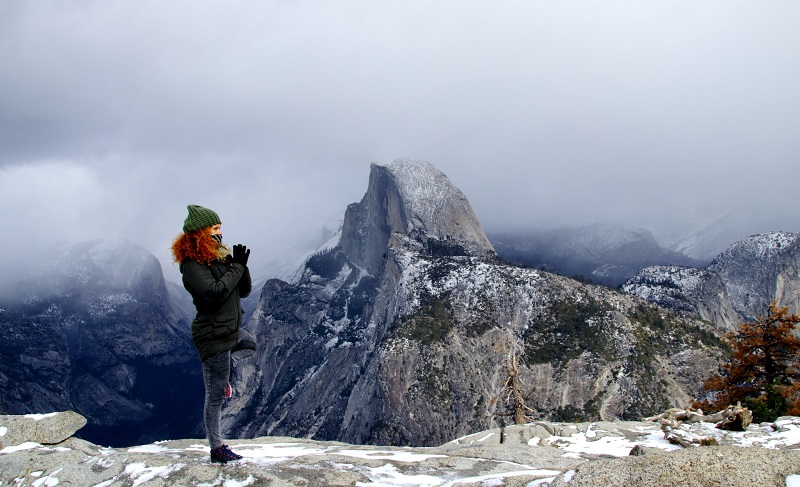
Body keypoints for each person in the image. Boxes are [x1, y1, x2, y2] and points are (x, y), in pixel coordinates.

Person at [170, 204, 256, 464]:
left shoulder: (218, 257)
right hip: (213, 335)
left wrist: (242, 266)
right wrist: (236, 268)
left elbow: (244, 291)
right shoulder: (192, 264)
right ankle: (217, 448)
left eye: (220, 227)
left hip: (229, 330)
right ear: (200, 232)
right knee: (215, 396)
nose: (220, 232)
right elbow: (215, 293)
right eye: (215, 228)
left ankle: (227, 369)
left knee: (250, 344)